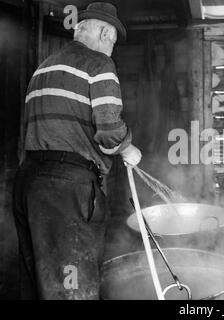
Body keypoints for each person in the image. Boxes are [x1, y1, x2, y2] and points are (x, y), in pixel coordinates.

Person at [13, 2, 141, 299]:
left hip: (29, 183)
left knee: (40, 282)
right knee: (72, 286)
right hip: (66, 190)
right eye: (112, 42)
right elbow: (108, 130)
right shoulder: (98, 64)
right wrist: (128, 148)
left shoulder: (44, 67)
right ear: (104, 32)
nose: (112, 49)